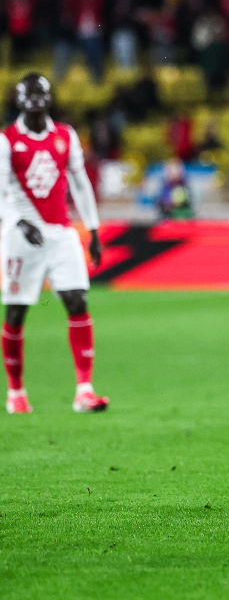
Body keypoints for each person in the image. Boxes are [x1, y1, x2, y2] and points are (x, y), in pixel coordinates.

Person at [0, 73, 108, 414]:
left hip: (61, 232)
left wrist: (93, 229)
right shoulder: (6, 140)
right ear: (18, 100)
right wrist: (19, 221)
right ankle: (16, 392)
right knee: (16, 312)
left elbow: (80, 181)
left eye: (41, 93)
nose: (35, 99)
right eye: (28, 94)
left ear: (49, 98)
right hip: (20, 235)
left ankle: (84, 391)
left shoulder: (65, 135)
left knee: (77, 300)